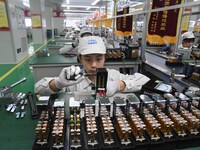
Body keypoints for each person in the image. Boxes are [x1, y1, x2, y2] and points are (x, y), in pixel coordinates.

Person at [35, 36, 150, 97]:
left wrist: (118, 85)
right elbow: (37, 88)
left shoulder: (113, 75)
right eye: (88, 59)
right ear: (80, 59)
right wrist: (57, 84)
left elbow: (145, 80)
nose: (94, 65)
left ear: (105, 58)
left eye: (99, 59)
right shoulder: (73, 79)